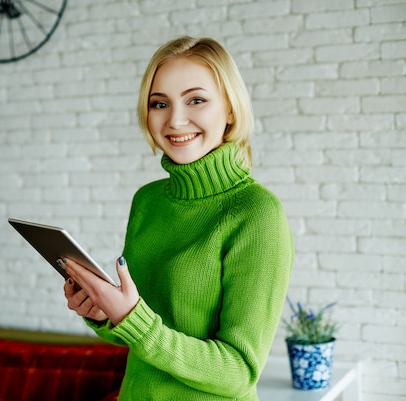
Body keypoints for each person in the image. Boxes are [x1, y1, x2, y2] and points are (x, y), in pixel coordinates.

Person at [59, 36, 294, 400]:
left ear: (231, 109)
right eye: (159, 103)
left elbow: (239, 373)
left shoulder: (257, 214)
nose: (175, 119)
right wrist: (104, 314)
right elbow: (137, 334)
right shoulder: (148, 201)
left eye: (196, 100)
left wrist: (134, 319)